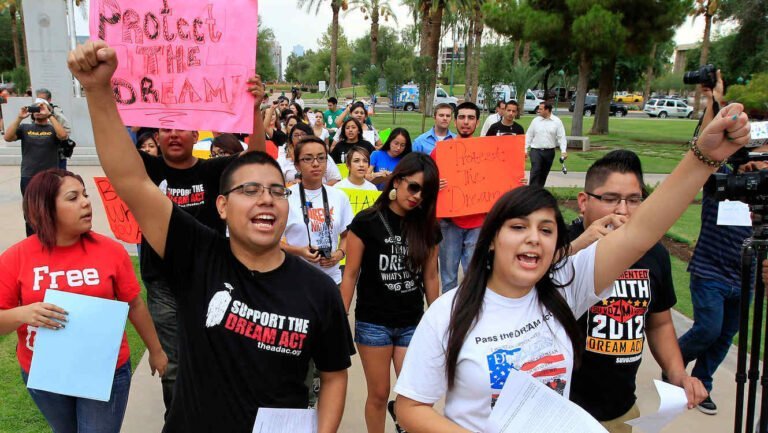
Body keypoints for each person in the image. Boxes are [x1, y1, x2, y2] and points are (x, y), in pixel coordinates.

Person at [391, 102, 751, 432]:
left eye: (546, 230)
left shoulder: (565, 287)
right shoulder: (447, 314)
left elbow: (642, 232)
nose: (534, 238)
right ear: (491, 241)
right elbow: (409, 407)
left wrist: (704, 158)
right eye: (518, 227)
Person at [68, 40, 353, 433]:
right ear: (222, 207)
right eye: (249, 191)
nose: (264, 200)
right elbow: (131, 179)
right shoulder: (198, 256)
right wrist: (98, 90)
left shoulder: (317, 291)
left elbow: (335, 372)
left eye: (275, 191)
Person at [0, 169, 168, 433]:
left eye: (85, 195)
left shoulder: (110, 251)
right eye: (72, 197)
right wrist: (24, 313)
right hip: (45, 373)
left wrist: (156, 351)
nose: (86, 202)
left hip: (105, 370)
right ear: (44, 208)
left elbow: (134, 304)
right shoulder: (16, 258)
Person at [568, 150, 707, 432]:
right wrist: (577, 247)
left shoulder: (653, 254)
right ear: (584, 202)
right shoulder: (560, 246)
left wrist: (677, 373)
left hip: (622, 409)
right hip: (564, 408)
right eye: (610, 199)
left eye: (633, 200)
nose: (623, 210)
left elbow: (659, 322)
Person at [677, 72, 768, 415]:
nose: (760, 162)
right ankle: (675, 368)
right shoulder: (724, 180)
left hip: (745, 277)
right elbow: (703, 149)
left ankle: (703, 383)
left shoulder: (764, 194)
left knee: (726, 335)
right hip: (710, 271)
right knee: (708, 328)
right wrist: (714, 101)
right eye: (757, 153)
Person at [341, 153, 441, 433]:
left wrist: (438, 320)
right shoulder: (366, 221)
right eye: (414, 187)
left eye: (426, 192)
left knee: (416, 396)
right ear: (397, 181)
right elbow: (350, 274)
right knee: (379, 392)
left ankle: (403, 418)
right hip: (374, 322)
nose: (418, 197)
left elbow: (431, 277)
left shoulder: (427, 226)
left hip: (412, 321)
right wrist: (340, 317)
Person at [282, 136, 353, 286]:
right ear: (297, 165)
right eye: (308, 159)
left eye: (321, 158)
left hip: (332, 280)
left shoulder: (339, 196)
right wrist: (299, 251)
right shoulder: (285, 198)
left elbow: (347, 235)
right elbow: (273, 242)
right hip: (296, 279)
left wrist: (339, 254)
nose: (316, 164)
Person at [4, 98, 69, 236]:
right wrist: (19, 118)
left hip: (49, 176)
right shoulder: (25, 128)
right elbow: (8, 137)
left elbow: (63, 136)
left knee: (50, 208)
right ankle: (32, 239)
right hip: (29, 175)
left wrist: (50, 115)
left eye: (41, 108)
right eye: (35, 109)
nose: (38, 111)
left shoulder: (53, 129)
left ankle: (51, 235)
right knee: (30, 210)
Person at [525, 101, 567, 187]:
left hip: (549, 152)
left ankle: (539, 193)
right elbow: (529, 135)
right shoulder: (535, 121)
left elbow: (561, 137)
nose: (538, 110)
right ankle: (531, 193)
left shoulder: (557, 121)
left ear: (547, 110)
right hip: (536, 151)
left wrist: (563, 151)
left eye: (541, 109)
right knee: (535, 171)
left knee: (543, 174)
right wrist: (525, 149)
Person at [36, 88, 73, 170]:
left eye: (43, 99)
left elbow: (66, 130)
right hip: (41, 154)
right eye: (38, 99)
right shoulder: (35, 112)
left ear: (49, 100)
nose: (40, 102)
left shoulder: (55, 111)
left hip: (57, 153)